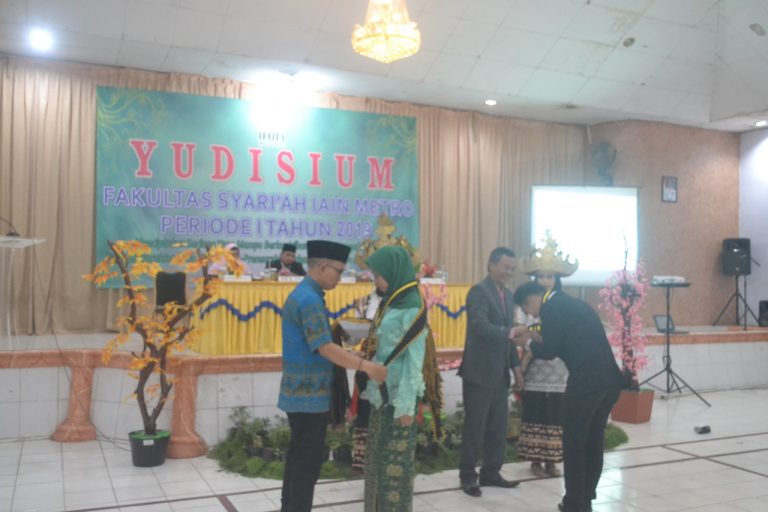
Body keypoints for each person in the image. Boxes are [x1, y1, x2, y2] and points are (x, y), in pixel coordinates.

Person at [278, 240, 387, 512]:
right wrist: (366, 366)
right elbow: (325, 348)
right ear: (322, 267)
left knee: (298, 460)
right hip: (307, 397)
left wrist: (352, 354)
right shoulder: (309, 300)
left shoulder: (306, 294)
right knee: (307, 465)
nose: (340, 277)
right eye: (338, 271)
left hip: (301, 394)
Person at [513, 281, 623, 512]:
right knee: (593, 441)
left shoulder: (551, 308)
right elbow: (561, 337)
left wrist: (527, 342)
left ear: (531, 300)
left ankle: (574, 503)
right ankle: (586, 498)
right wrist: (534, 334)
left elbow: (549, 350)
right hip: (609, 381)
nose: (531, 315)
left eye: (527, 310)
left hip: (586, 383)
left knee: (574, 444)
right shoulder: (571, 303)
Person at [361, 245, 427, 511]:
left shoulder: (412, 306)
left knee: (394, 469)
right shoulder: (391, 301)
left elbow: (415, 359)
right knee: (375, 463)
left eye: (378, 275)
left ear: (393, 272)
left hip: (399, 399)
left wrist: (407, 405)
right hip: (381, 395)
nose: (375, 280)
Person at [458, 246, 526, 498]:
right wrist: (511, 332)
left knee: (498, 427)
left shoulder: (508, 295)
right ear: (491, 265)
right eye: (506, 267)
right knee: (475, 427)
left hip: (500, 374)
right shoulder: (479, 292)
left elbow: (508, 339)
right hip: (479, 372)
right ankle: (468, 476)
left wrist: (516, 368)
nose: (509, 272)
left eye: (513, 269)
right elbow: (480, 327)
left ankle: (491, 472)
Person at [516, 236, 578, 478]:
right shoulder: (525, 307)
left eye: (550, 276)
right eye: (541, 276)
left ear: (557, 279)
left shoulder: (562, 305)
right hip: (534, 369)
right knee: (535, 413)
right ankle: (535, 461)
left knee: (555, 415)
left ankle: (552, 461)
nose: (545, 280)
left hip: (558, 370)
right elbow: (520, 336)